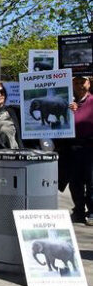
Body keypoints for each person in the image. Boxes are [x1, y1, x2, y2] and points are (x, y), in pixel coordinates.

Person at [59, 76, 93, 224]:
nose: (80, 85)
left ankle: (92, 211)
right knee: (75, 182)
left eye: (83, 82)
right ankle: (78, 210)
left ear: (89, 83)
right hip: (71, 147)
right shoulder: (67, 101)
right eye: (76, 82)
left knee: (91, 182)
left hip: (90, 147)